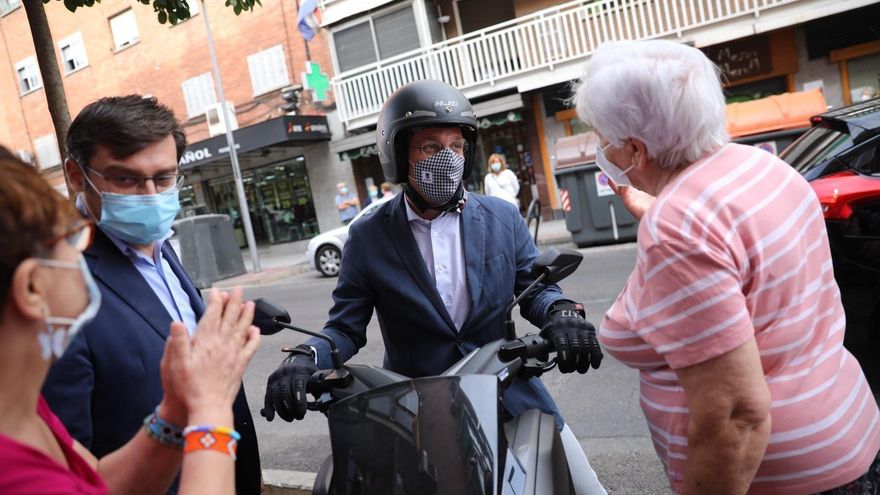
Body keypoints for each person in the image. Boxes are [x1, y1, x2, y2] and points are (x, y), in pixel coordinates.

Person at [263, 80, 606, 493]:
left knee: (584, 486)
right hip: (415, 411)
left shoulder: (501, 217)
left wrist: (562, 313)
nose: (447, 159)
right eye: (429, 147)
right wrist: (304, 356)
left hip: (508, 392)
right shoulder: (368, 235)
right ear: (398, 154)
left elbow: (536, 288)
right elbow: (344, 328)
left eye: (456, 146)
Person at [573, 40, 880, 494]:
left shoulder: (681, 227)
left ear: (635, 151)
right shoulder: (762, 167)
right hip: (847, 429)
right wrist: (664, 213)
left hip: (784, 478)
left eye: (602, 138)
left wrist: (671, 224)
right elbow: (738, 253)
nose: (601, 150)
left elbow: (737, 416)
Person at [0, 153, 260, 494]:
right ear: (33, 286)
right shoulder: (18, 476)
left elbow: (98, 485)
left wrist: (174, 412)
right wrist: (210, 406)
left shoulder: (25, 411)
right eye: (72, 237)